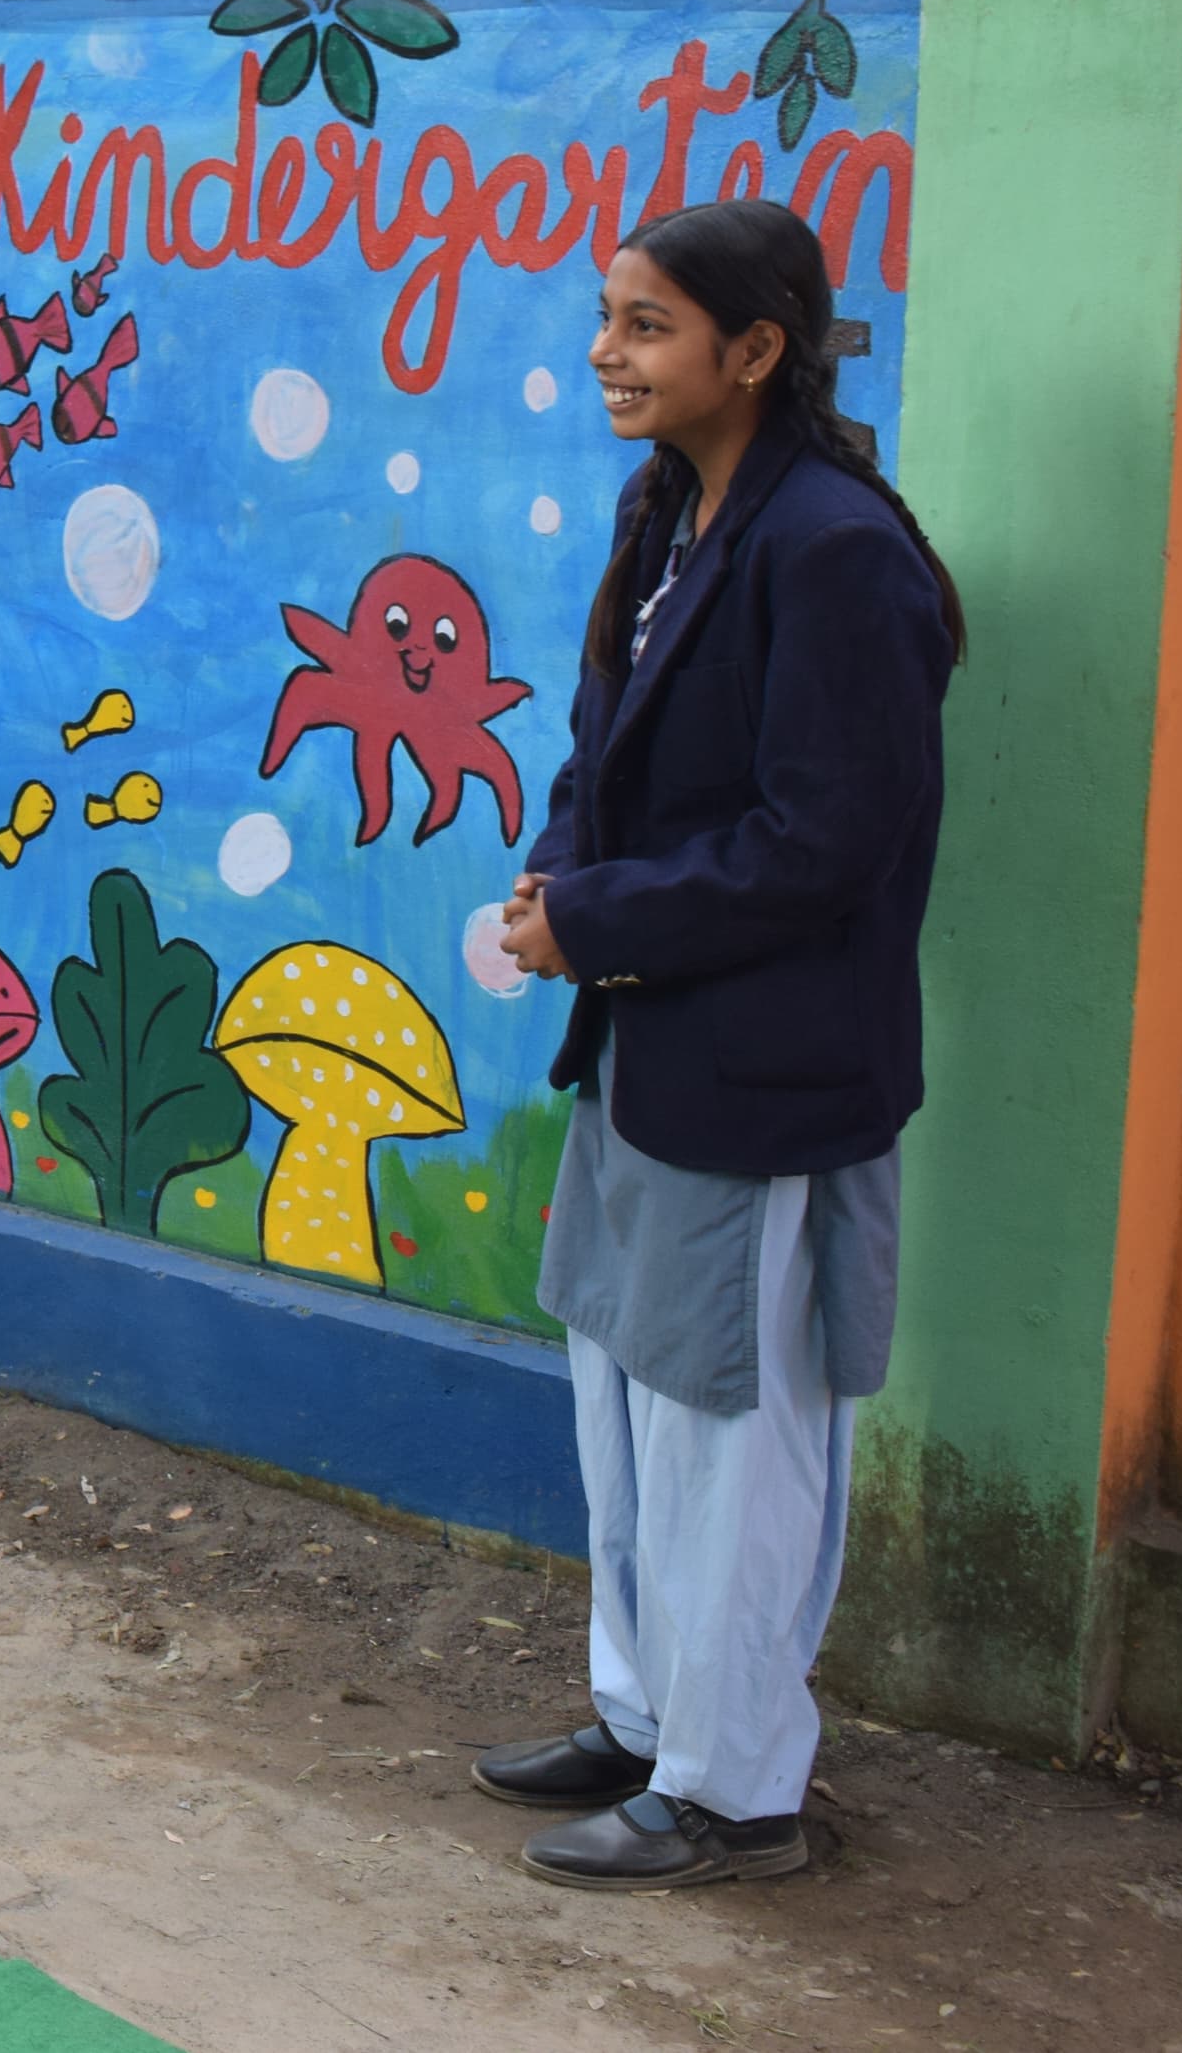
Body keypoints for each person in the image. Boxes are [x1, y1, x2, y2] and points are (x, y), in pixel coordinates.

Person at [482, 196, 961, 1892]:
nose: (605, 352)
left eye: (645, 325)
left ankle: (735, 1790)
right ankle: (645, 1717)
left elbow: (825, 843)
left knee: (738, 1437)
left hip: (765, 1073)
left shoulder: (835, 553)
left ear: (753, 350)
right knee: (625, 1395)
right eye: (608, 316)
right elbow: (603, 743)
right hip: (650, 1040)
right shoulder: (671, 506)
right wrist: (563, 878)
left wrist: (602, 918)